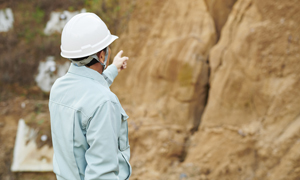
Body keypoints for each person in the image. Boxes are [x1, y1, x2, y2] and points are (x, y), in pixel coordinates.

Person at [49, 13, 131, 180]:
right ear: (102, 56)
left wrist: (113, 68)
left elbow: (89, 88)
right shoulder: (104, 102)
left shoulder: (59, 88)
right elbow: (102, 174)